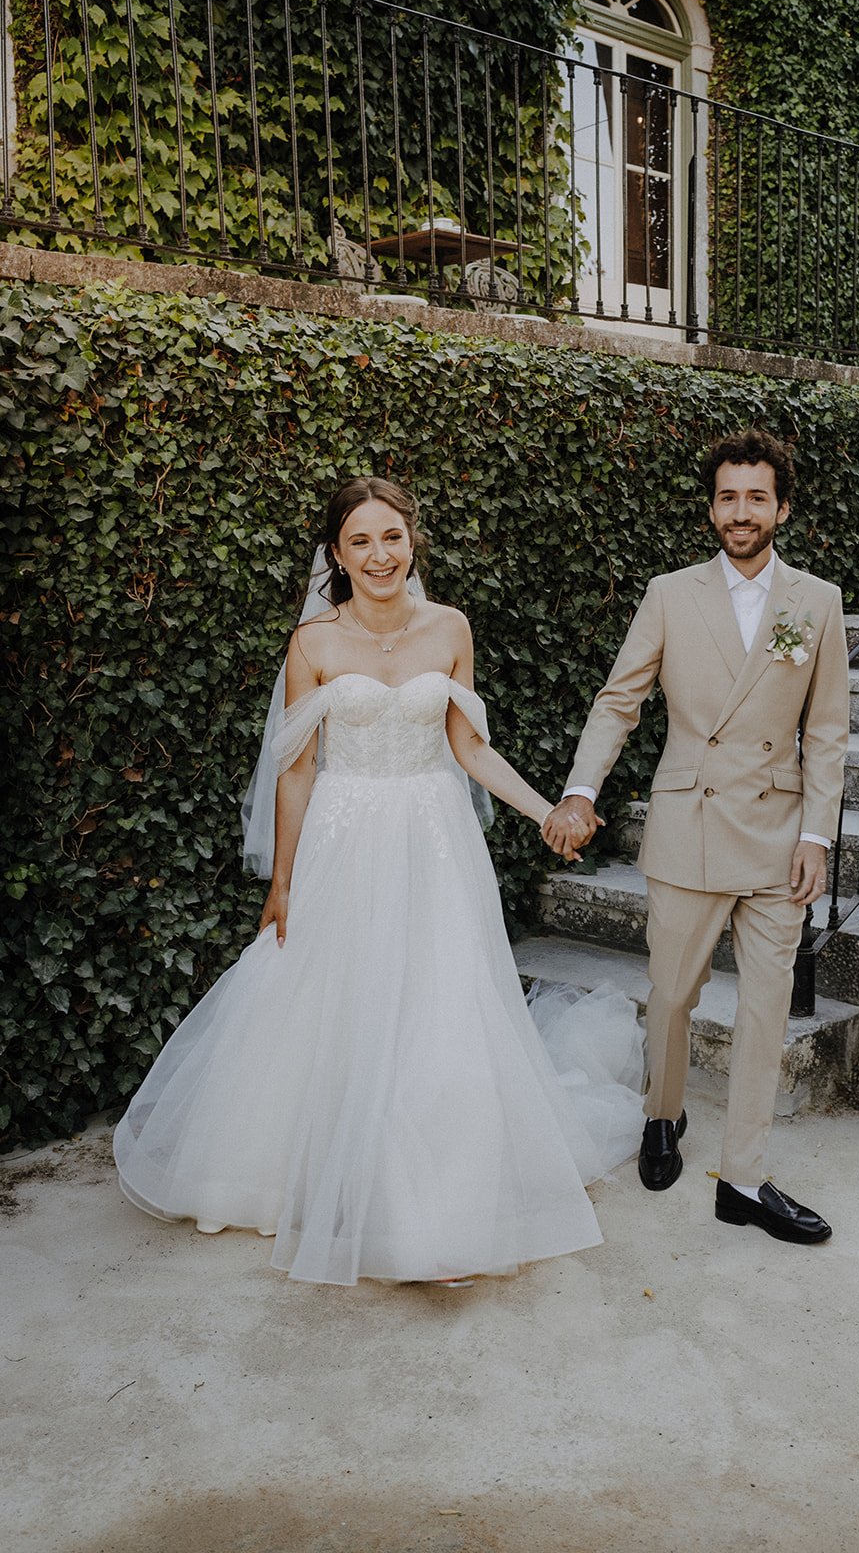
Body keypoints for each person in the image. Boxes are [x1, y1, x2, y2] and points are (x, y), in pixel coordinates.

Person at [113, 478, 645, 1286]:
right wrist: (282, 881)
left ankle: (432, 1184)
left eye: (390, 537)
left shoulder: (450, 628)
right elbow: (295, 771)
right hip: (343, 836)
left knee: (439, 994)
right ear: (336, 553)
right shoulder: (314, 644)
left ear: (411, 541)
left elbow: (470, 750)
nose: (378, 555)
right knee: (334, 990)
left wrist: (547, 810)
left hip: (434, 837)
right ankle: (305, 1168)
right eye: (360, 541)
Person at [543, 429, 849, 1245]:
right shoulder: (669, 593)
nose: (740, 512)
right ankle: (662, 1114)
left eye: (756, 497)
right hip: (690, 821)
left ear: (781, 507)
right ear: (711, 507)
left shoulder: (816, 601)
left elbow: (825, 732)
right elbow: (619, 700)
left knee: (764, 1008)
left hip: (779, 834)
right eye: (727, 497)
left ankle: (743, 1179)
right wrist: (581, 790)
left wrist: (818, 834)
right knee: (672, 994)